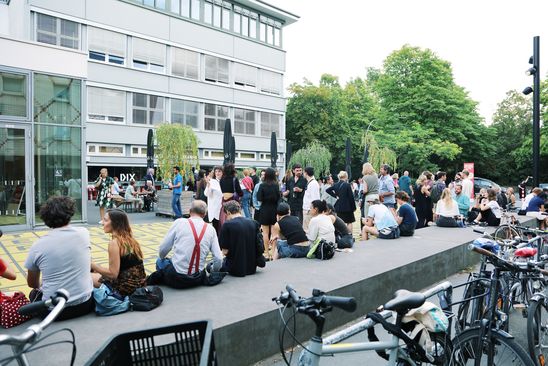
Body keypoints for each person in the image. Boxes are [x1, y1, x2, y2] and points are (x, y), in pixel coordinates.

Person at [24, 196, 94, 320]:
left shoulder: (38, 246)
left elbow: (32, 283)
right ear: (70, 213)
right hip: (85, 304)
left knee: (34, 293)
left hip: (54, 312)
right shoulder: (84, 233)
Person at [149, 200, 222, 289]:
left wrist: (163, 257)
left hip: (177, 278)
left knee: (160, 261)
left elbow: (163, 250)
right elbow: (218, 259)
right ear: (204, 214)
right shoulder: (211, 229)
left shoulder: (179, 223)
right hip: (198, 278)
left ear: (189, 211)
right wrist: (214, 270)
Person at [91, 209, 146, 297]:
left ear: (115, 223)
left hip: (125, 288)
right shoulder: (130, 240)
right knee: (95, 272)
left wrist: (92, 264)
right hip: (139, 284)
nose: (102, 222)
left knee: (88, 277)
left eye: (105, 220)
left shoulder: (114, 243)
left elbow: (113, 274)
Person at [219, 201, 263, 276]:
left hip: (235, 268)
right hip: (252, 268)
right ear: (239, 210)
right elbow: (259, 245)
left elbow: (225, 251)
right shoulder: (254, 222)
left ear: (228, 212)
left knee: (211, 266)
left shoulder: (227, 225)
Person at [257, 168, 280, 259]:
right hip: (274, 209)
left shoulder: (262, 185)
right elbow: (278, 197)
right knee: (274, 233)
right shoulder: (276, 185)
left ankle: (266, 252)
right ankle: (273, 252)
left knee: (265, 233)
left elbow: (259, 198)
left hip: (264, 209)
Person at [219, 163, 243, 228]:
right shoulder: (234, 179)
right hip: (233, 201)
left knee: (224, 219)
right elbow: (240, 192)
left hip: (224, 201)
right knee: (234, 220)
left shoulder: (221, 179)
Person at [205, 166, 223, 234]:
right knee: (216, 228)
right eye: (216, 171)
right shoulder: (212, 182)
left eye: (219, 171)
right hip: (215, 208)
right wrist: (208, 185)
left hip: (223, 208)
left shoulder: (225, 181)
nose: (217, 173)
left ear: (222, 172)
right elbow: (206, 194)